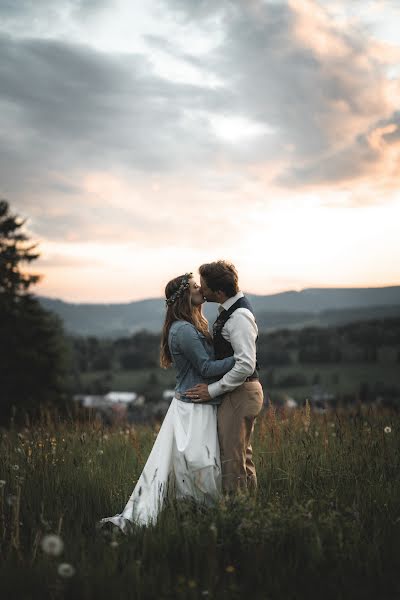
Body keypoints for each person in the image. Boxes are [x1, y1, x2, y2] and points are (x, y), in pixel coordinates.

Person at [97, 272, 235, 534]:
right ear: (184, 295)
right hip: (194, 406)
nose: (201, 289)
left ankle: (196, 515)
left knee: (192, 463)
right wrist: (241, 359)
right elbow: (205, 368)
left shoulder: (187, 325)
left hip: (195, 403)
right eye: (195, 286)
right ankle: (200, 519)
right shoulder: (183, 330)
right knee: (199, 462)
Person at [185, 261, 264, 495]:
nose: (201, 290)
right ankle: (250, 511)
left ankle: (236, 513)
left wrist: (212, 390)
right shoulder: (231, 311)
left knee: (232, 458)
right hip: (240, 392)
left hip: (241, 392)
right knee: (241, 455)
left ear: (219, 292)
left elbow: (246, 364)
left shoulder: (239, 316)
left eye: (205, 287)